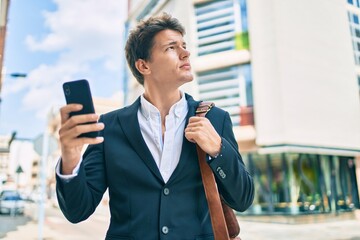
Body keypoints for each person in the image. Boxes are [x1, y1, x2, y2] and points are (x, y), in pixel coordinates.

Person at [56, 13, 254, 240]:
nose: (185, 52)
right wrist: (70, 158)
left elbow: (243, 199)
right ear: (143, 65)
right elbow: (77, 211)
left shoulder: (215, 119)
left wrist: (219, 149)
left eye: (184, 45)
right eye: (171, 47)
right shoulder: (108, 127)